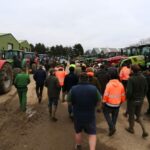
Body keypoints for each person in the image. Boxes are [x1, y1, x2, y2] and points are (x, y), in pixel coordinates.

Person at [67, 73, 101, 150]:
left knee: (78, 131)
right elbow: (99, 100)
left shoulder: (73, 89)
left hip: (78, 115)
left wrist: (73, 104)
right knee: (92, 133)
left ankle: (78, 145)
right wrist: (96, 106)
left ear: (79, 79)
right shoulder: (94, 89)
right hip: (90, 115)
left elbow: (68, 101)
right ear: (88, 79)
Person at [126, 64, 148, 138]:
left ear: (132, 70)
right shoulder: (143, 78)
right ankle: (144, 130)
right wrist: (142, 96)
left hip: (132, 100)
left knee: (131, 115)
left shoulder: (131, 79)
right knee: (138, 116)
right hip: (140, 100)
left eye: (130, 69)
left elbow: (129, 92)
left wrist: (127, 97)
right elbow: (146, 89)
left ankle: (131, 128)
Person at [102, 72, 125, 136]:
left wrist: (103, 102)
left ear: (110, 77)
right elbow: (123, 94)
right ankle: (112, 128)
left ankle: (112, 127)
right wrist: (121, 101)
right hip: (117, 105)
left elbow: (106, 94)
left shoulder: (108, 84)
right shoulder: (121, 85)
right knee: (114, 117)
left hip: (108, 104)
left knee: (106, 114)